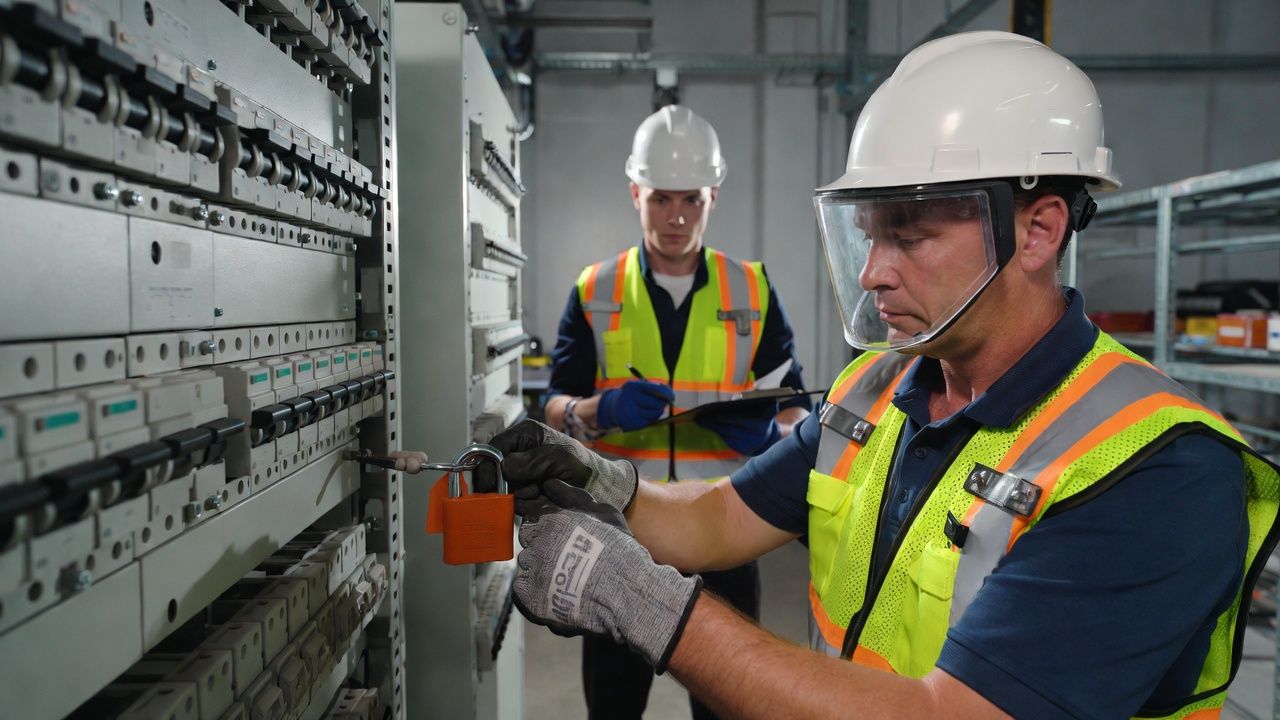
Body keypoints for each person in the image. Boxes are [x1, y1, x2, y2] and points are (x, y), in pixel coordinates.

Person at [487, 31, 1280, 719]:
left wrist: (642, 602)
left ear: (1038, 230)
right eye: (868, 234)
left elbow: (953, 714)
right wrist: (602, 481)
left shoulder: (1157, 470)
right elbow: (721, 518)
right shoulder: (876, 393)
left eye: (909, 235)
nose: (870, 272)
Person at [542, 104, 812, 720]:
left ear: (713, 196)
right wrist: (597, 408)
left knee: (724, 709)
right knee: (613, 707)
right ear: (636, 192)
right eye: (661, 199)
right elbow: (553, 408)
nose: (676, 217)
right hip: (621, 532)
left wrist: (772, 429)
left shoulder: (753, 288)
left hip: (724, 530)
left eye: (690, 199)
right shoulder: (595, 289)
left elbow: (796, 410)